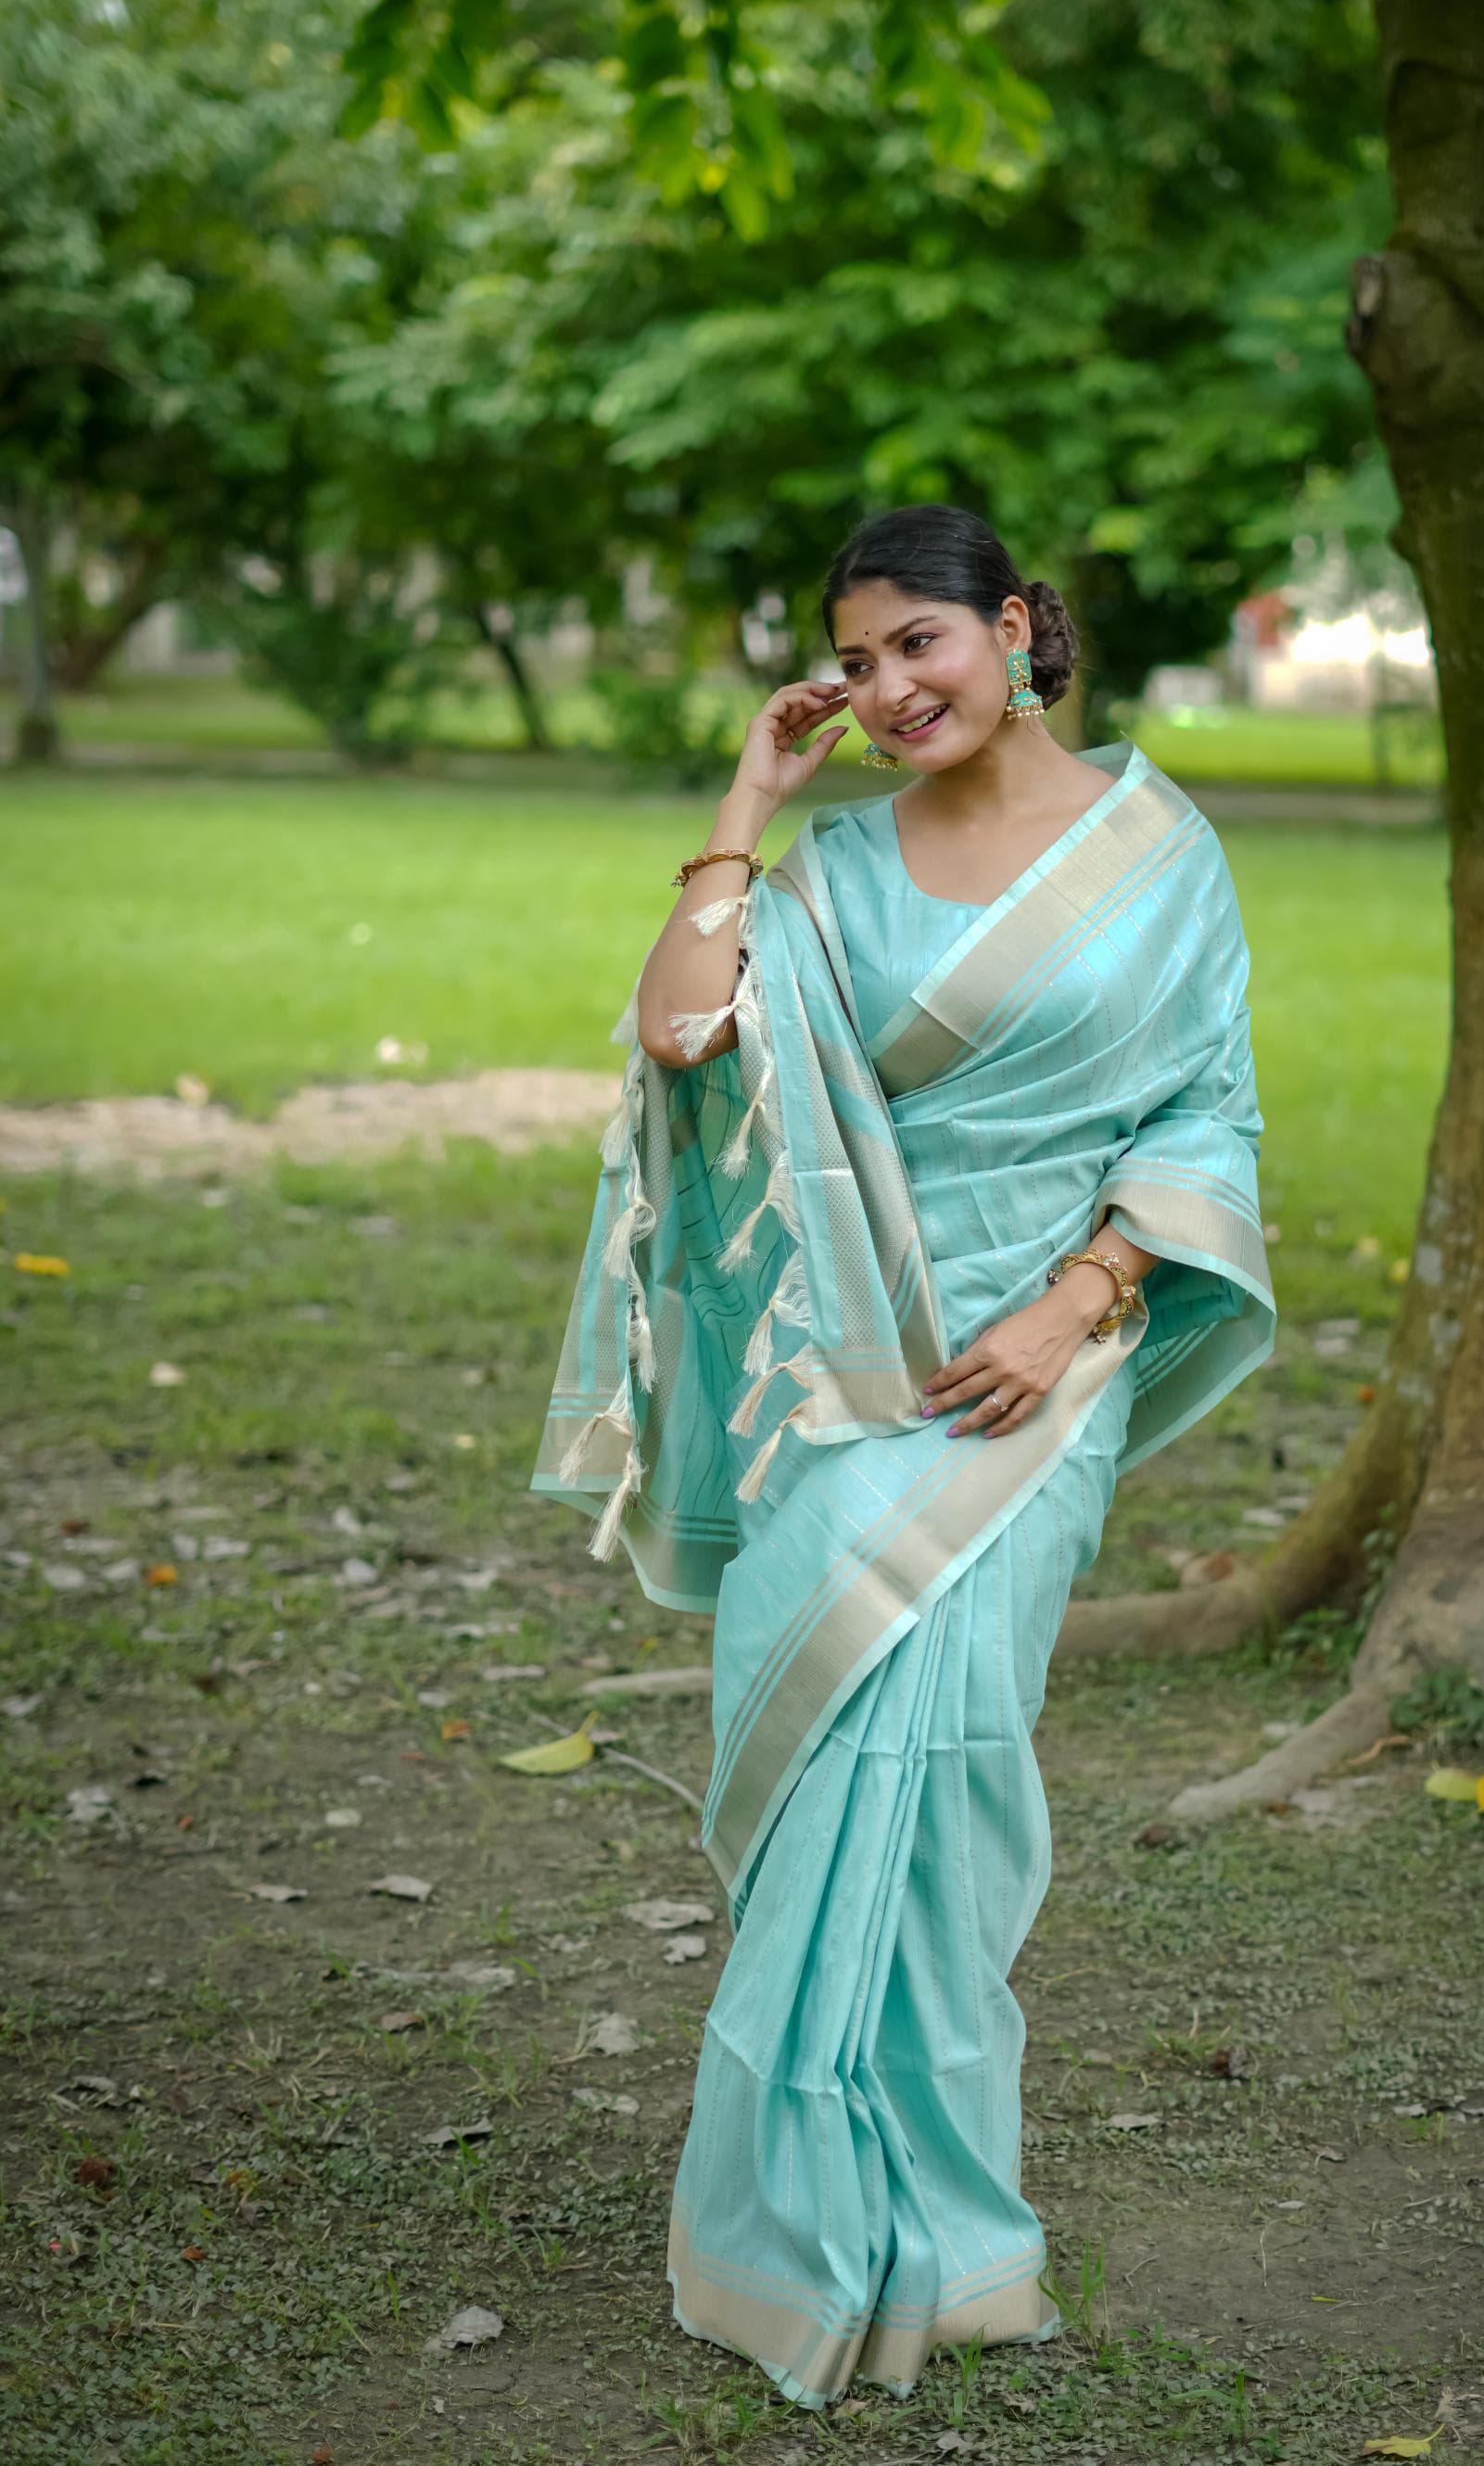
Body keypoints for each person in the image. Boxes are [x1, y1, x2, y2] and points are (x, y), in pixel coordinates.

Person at [533, 503, 1275, 2409]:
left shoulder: (1156, 852)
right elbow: (687, 1030)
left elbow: (1206, 1109)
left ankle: (943, 2233)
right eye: (850, 665)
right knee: (814, 1800)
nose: (884, 691)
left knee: (948, 1784)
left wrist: (1081, 1301)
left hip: (1027, 1392)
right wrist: (746, 796)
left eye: (917, 647)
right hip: (839, 1387)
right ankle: (788, 2231)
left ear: (1017, 629)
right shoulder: (833, 872)